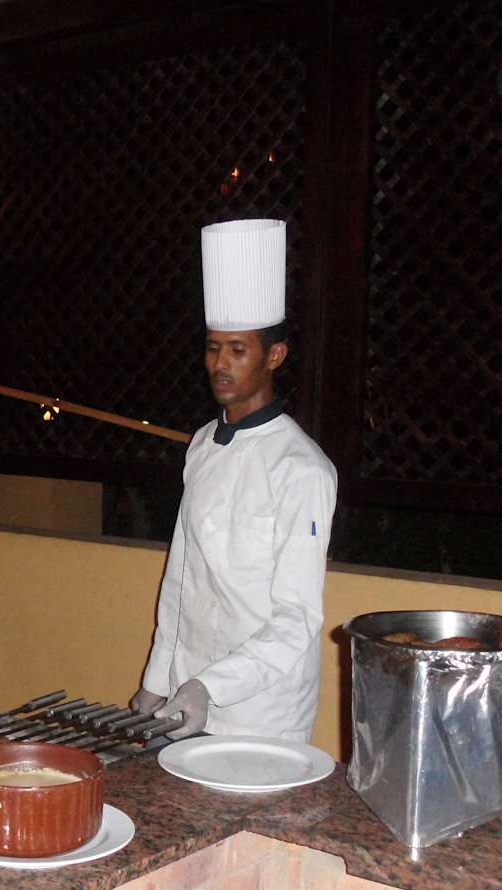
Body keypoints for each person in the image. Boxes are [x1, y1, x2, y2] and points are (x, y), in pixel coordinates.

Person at [130, 219, 337, 742]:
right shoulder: (202, 444)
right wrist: (158, 679)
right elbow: (182, 575)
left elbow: (296, 617)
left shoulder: (302, 469)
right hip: (187, 691)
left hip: (261, 710)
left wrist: (211, 686)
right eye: (212, 347)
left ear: (274, 356)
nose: (220, 364)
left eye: (238, 350)